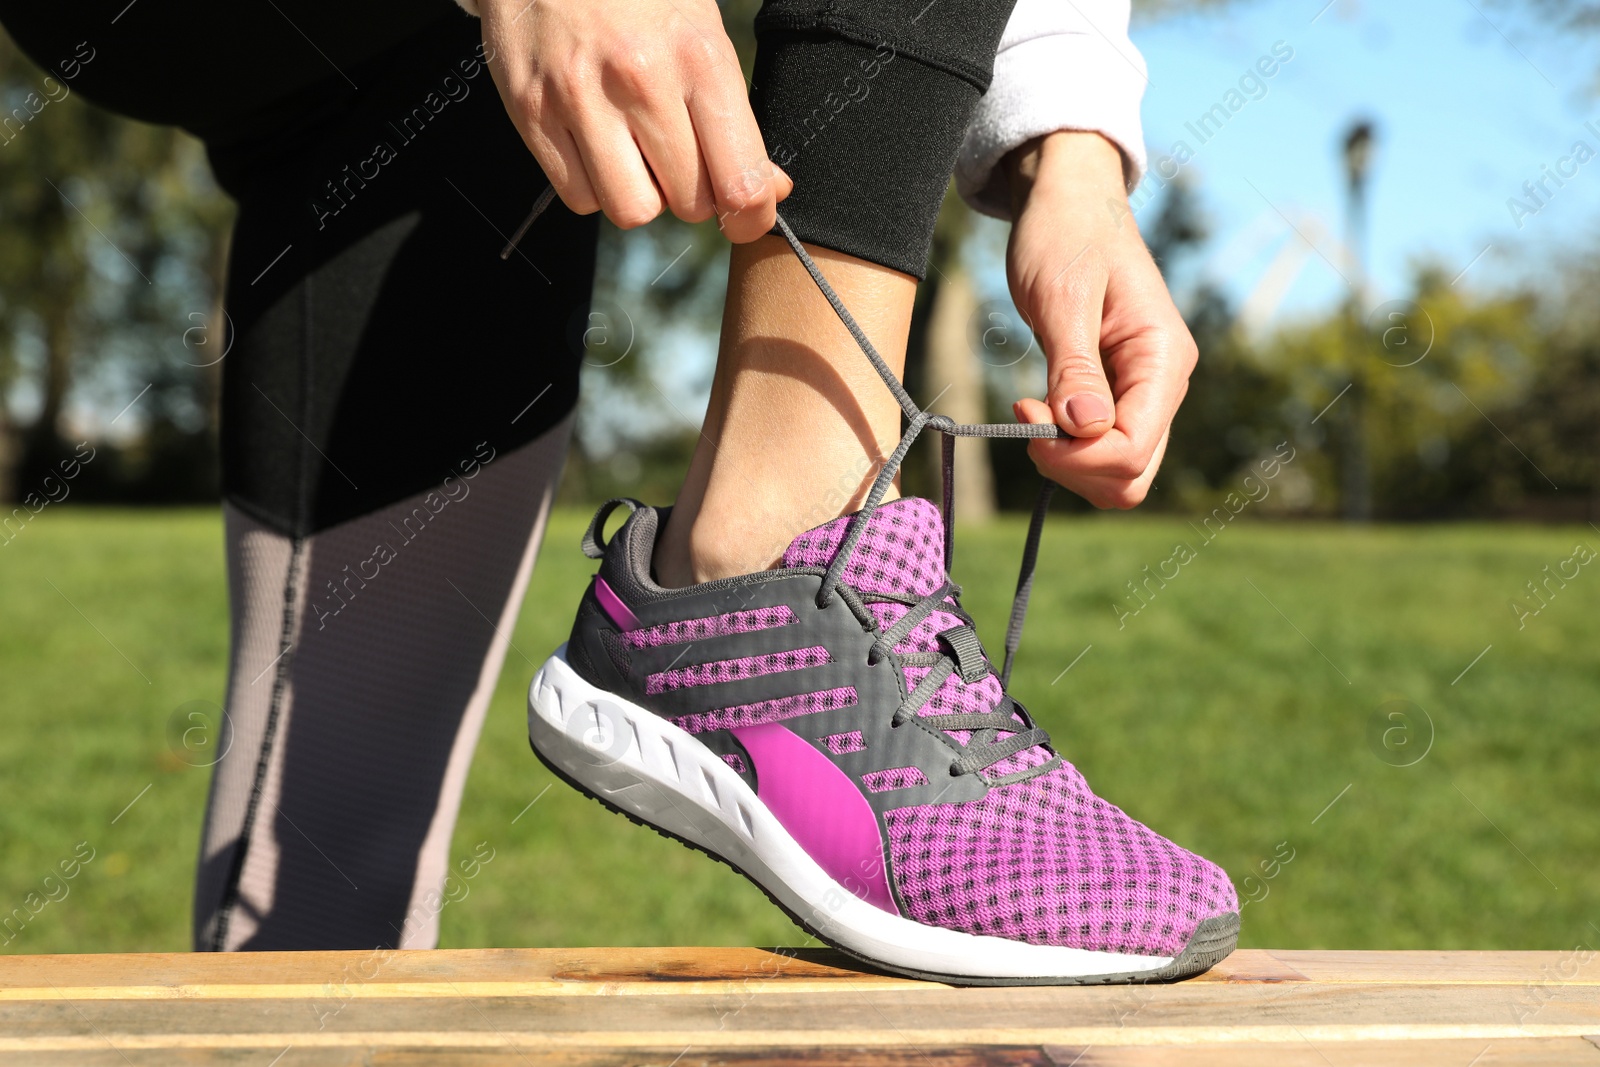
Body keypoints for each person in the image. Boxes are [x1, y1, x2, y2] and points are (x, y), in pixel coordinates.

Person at [1, 0, 1232, 976]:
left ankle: (734, 589)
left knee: (333, 865)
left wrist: (1066, 149)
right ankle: (771, 548)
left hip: (424, 80)